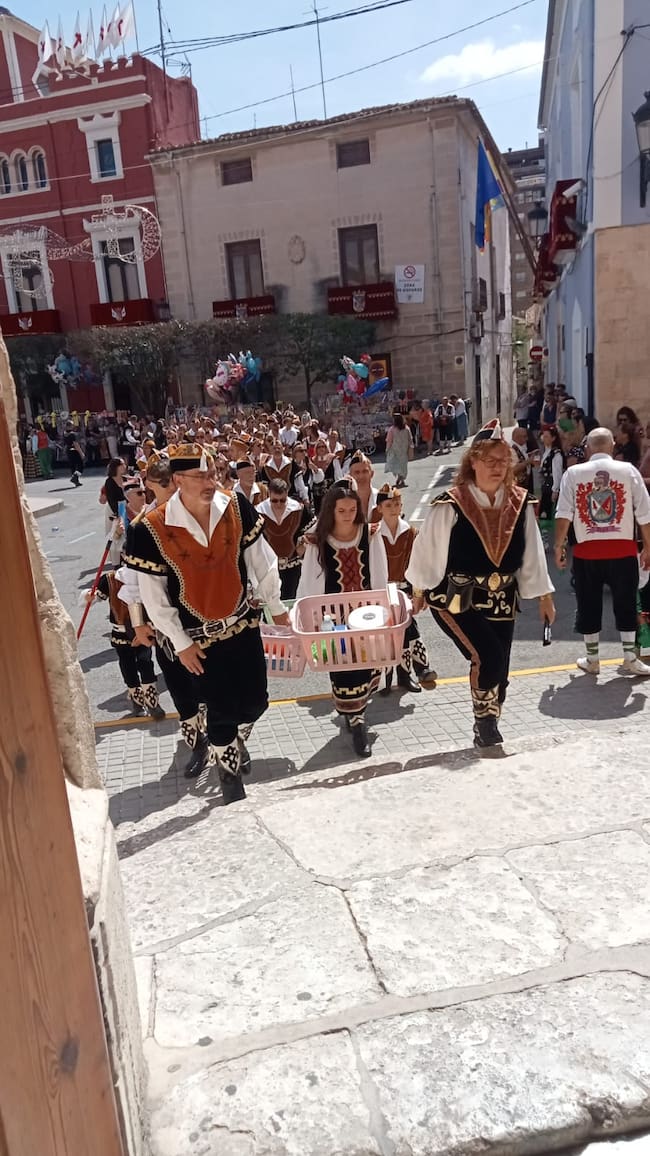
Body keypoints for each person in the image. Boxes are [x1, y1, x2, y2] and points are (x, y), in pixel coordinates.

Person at [125, 443, 288, 804]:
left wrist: (277, 606)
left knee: (256, 703)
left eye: (212, 473)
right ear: (179, 480)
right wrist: (180, 643)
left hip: (242, 626)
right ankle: (231, 784)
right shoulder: (149, 529)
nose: (209, 482)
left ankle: (229, 741)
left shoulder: (235, 506)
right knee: (221, 710)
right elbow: (153, 595)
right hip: (198, 641)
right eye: (199, 476)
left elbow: (261, 560)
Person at [406, 419, 555, 747]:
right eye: (490, 461)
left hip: (504, 597)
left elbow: (531, 552)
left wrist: (544, 596)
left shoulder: (520, 501)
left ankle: (491, 716)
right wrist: (418, 588)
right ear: (472, 461)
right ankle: (485, 724)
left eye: (503, 461)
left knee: (500, 670)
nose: (498, 468)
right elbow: (428, 545)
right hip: (457, 597)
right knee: (488, 657)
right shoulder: (453, 502)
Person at [296, 481, 389, 757]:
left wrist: (384, 609)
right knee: (343, 670)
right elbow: (310, 580)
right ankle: (357, 723)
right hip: (332, 619)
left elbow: (380, 574)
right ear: (331, 511)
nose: (348, 515)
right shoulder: (318, 540)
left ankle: (356, 715)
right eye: (341, 510)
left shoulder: (370, 534)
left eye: (351, 509)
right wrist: (307, 615)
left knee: (368, 668)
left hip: (367, 616)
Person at [554, 427, 650, 677]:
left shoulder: (573, 473)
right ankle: (630, 657)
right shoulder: (628, 470)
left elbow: (564, 513)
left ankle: (593, 659)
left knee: (588, 603)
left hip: (587, 553)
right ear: (613, 446)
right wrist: (649, 546)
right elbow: (644, 513)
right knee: (626, 602)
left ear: (587, 449)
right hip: (623, 551)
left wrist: (558, 546)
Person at [376, 484, 437, 694]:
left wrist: (421, 592)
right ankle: (386, 679)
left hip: (404, 592)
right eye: (388, 505)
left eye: (397, 504)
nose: (394, 508)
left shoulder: (411, 532)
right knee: (385, 636)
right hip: (382, 592)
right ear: (379, 509)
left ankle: (406, 675)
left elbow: (420, 564)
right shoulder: (373, 534)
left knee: (407, 631)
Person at [258, 479, 313, 600]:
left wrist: (304, 544)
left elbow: (314, 531)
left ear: (287, 494)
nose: (278, 504)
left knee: (293, 600)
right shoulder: (258, 512)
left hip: (294, 567)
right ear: (269, 495)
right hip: (268, 569)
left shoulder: (299, 510)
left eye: (282, 500)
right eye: (274, 500)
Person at [538, 427, 564, 523]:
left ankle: (549, 534)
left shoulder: (556, 454)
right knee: (543, 511)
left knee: (548, 512)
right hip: (545, 486)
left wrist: (555, 490)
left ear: (553, 438)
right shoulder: (546, 452)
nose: (543, 438)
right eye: (543, 436)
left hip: (550, 486)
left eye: (546, 436)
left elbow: (557, 473)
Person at [348, 451, 379, 521]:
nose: (361, 476)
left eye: (365, 471)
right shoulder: (343, 501)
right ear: (350, 476)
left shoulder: (381, 498)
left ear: (372, 474)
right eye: (357, 472)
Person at [384, 413, 413, 488]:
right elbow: (410, 438)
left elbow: (389, 440)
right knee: (403, 464)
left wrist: (387, 449)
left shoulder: (392, 429)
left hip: (395, 449)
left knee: (396, 464)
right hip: (404, 449)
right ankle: (402, 478)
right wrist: (411, 446)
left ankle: (400, 477)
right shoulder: (406, 428)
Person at [510, 427, 535, 494]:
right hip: (519, 487)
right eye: (524, 436)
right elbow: (513, 470)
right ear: (516, 437)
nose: (526, 439)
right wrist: (528, 461)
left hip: (526, 484)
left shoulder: (521, 447)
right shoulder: (512, 450)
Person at [64, 422, 84, 486]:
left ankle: (76, 480)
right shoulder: (72, 434)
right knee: (80, 465)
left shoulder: (64, 434)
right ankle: (75, 477)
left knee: (73, 466)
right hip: (74, 450)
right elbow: (76, 444)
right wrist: (81, 453)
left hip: (68, 450)